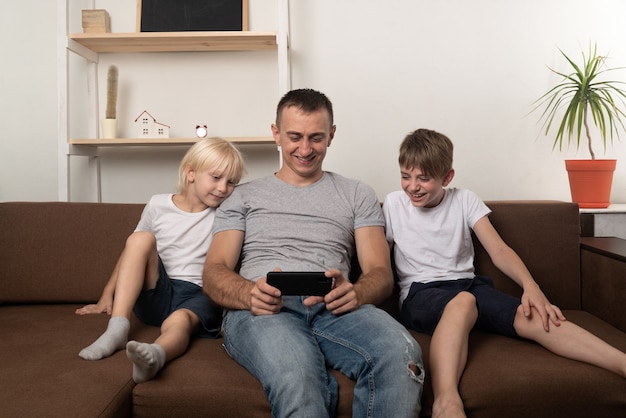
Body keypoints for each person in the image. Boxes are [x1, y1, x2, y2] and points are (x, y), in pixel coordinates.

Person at [203, 88, 423, 417]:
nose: (305, 149)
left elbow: (380, 272)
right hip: (263, 310)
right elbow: (214, 271)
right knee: (299, 376)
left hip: (334, 307)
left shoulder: (357, 193)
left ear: (331, 136)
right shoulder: (242, 197)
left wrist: (357, 291)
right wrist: (250, 293)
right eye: (294, 136)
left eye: (316, 138)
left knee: (401, 352)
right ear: (276, 134)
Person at [383, 128, 626, 418]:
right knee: (463, 302)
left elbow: (499, 250)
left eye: (424, 178)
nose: (413, 186)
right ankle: (446, 402)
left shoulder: (464, 199)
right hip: (421, 292)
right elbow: (376, 257)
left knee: (535, 315)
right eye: (406, 176)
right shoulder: (394, 205)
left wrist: (530, 287)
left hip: (468, 286)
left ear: (447, 177)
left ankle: (622, 362)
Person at [76, 137, 246, 383]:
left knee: (180, 322)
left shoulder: (226, 213)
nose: (223, 188)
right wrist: (106, 294)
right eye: (216, 177)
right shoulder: (158, 204)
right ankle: (117, 329)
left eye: (232, 182)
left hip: (199, 294)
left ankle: (156, 355)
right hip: (158, 289)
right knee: (139, 239)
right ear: (191, 173)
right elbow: (131, 253)